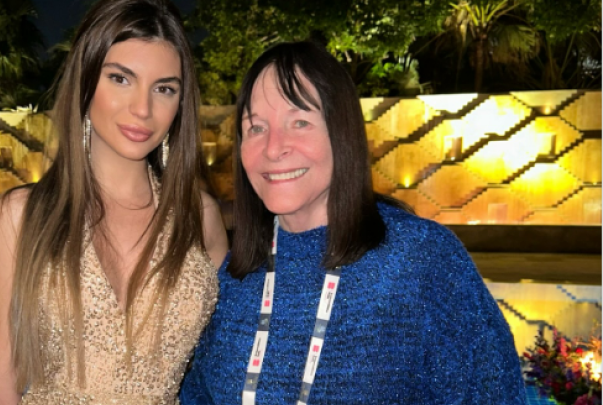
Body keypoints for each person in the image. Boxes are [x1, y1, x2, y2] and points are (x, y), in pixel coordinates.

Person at [179, 42, 526, 404]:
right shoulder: (234, 280)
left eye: (300, 122)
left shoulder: (422, 261)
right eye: (256, 128)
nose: (273, 147)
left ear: (341, 132)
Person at [0, 0, 228, 404]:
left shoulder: (200, 217)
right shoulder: (21, 216)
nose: (142, 108)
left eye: (164, 89)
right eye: (120, 78)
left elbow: (226, 366)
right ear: (86, 81)